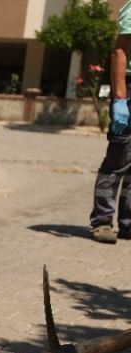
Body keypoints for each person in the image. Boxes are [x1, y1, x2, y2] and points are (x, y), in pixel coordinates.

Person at [90, 0, 131, 244]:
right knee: (118, 157)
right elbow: (119, 51)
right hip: (128, 90)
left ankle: (128, 223)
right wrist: (119, 99)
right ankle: (102, 220)